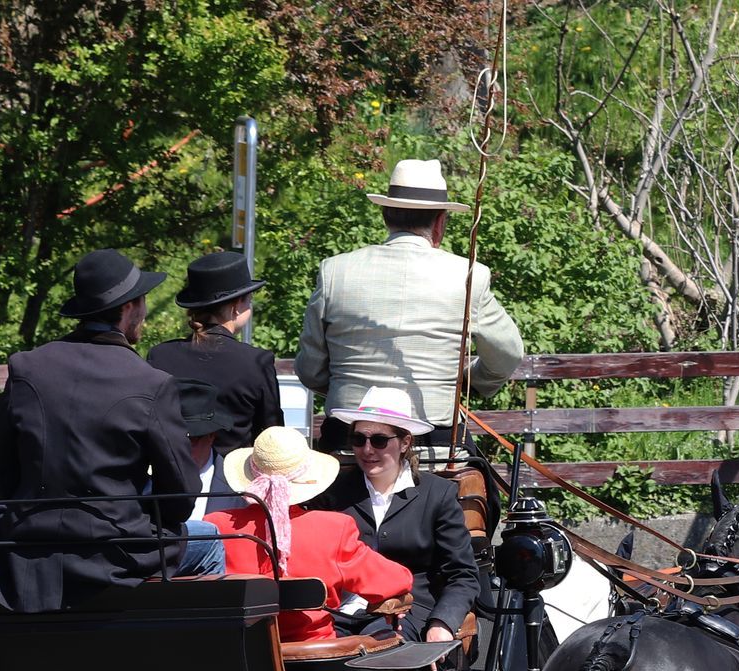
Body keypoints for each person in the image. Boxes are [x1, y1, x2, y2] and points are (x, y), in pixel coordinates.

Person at [0, 248, 223, 611]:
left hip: (28, 553)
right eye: (143, 302)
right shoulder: (150, 382)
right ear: (128, 307)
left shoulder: (26, 367)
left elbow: (2, 474)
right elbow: (180, 500)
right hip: (117, 555)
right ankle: (195, 661)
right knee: (211, 538)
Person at [295, 158, 524, 437]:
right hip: (434, 436)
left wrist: (345, 385)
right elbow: (508, 353)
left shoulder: (335, 271)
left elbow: (310, 370)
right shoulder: (468, 275)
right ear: (441, 221)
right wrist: (469, 380)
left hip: (350, 436)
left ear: (385, 215)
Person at [204, 426, 412, 643]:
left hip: (235, 653)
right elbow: (395, 580)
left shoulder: (215, 525)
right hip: (312, 659)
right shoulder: (333, 528)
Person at [307, 386, 482, 643]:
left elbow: (462, 574)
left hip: (407, 614)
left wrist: (442, 622)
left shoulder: (437, 494)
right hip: (339, 614)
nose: (367, 450)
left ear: (405, 443)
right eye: (358, 439)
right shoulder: (333, 493)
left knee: (380, 643)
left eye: (379, 440)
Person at [148, 249, 282, 453]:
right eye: (249, 300)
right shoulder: (256, 361)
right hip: (233, 476)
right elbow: (272, 434)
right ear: (236, 307)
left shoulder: (159, 355)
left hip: (171, 473)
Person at [175, 378, 246, 519]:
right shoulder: (146, 484)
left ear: (211, 436)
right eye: (174, 438)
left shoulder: (239, 490)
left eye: (191, 440)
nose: (182, 448)